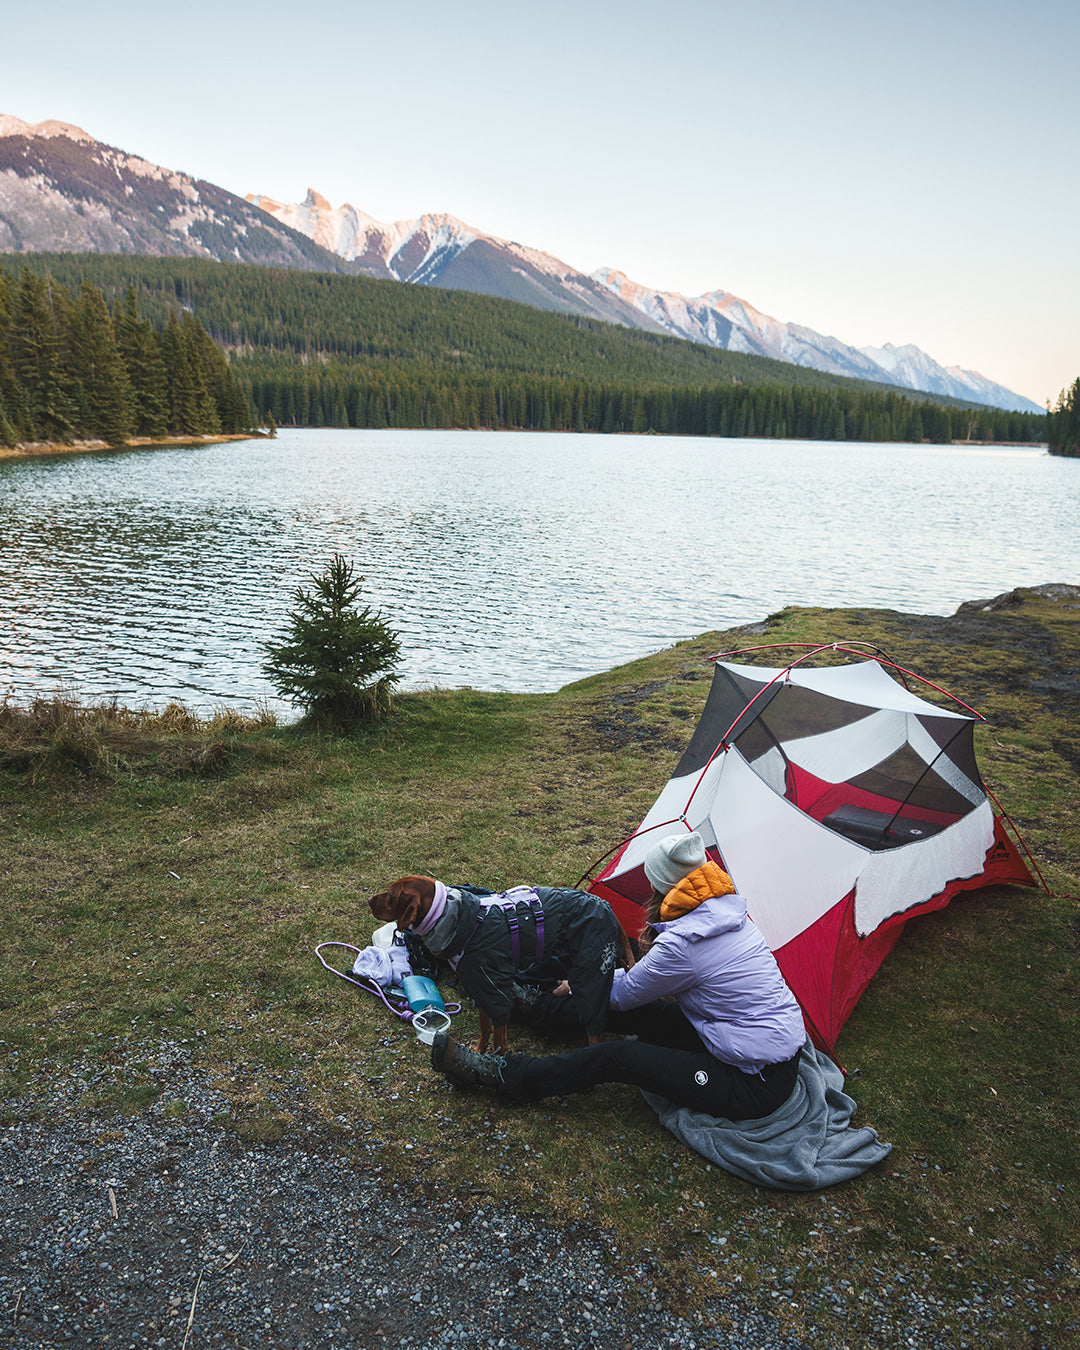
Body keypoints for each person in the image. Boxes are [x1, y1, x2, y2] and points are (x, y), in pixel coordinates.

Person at [430, 831, 807, 1121]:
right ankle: (528, 1009)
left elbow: (623, 993)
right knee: (641, 1012)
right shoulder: (730, 911)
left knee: (618, 1054)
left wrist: (580, 981)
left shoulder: (683, 945)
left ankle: (499, 1074)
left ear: (663, 887)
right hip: (730, 1034)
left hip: (753, 1080)